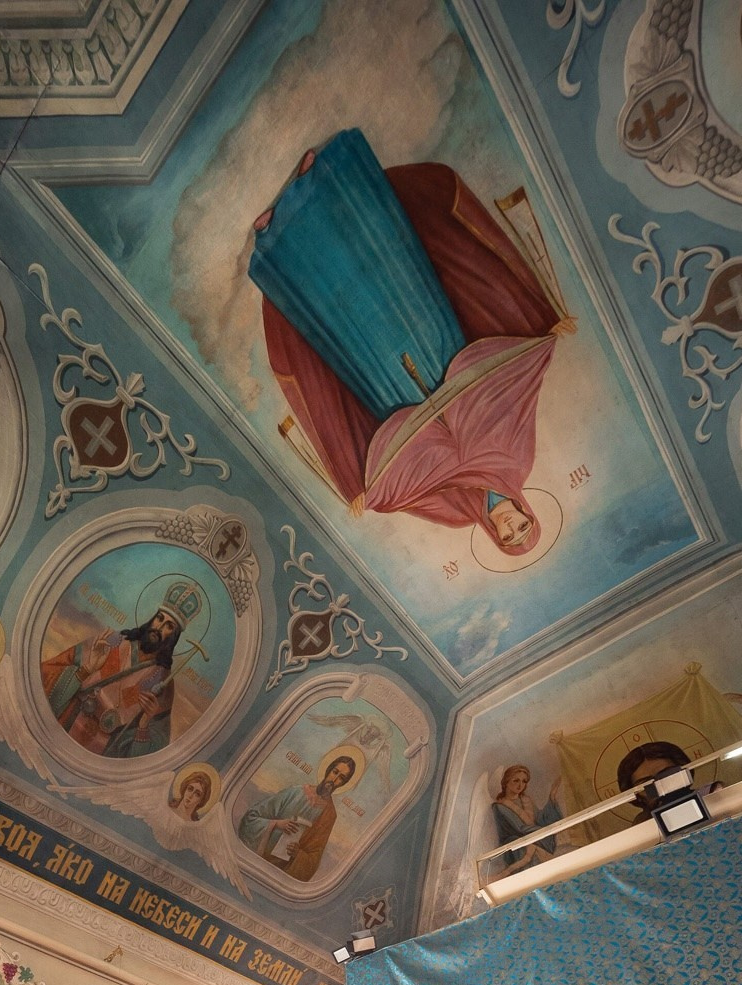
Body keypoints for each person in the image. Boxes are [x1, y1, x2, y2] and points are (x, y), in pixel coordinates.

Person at [248, 127, 573, 542]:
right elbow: (513, 403)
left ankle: (277, 237)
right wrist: (538, 349)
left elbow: (400, 495)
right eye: (523, 526)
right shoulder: (519, 462)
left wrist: (371, 494)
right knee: (386, 263)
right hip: (440, 350)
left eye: (509, 537)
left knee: (343, 311)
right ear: (528, 513)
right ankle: (323, 178)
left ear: (497, 537)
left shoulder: (458, 514)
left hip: (392, 391)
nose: (511, 527)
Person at [43, 583, 202, 758]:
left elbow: (154, 750)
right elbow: (48, 674)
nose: (159, 627)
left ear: (174, 636)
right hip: (66, 723)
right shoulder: (112, 641)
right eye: (159, 618)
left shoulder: (164, 682)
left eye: (169, 626)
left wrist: (145, 723)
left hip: (100, 752)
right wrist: (87, 669)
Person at [238, 752, 357, 881]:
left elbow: (314, 858)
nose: (334, 780)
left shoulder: (330, 815)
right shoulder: (295, 792)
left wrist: (298, 854)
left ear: (343, 783)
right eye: (335, 772)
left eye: (341, 778)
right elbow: (250, 817)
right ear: (328, 770)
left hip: (278, 874)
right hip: (254, 860)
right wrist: (277, 824)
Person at [491, 765, 563, 876]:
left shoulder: (526, 801)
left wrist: (552, 798)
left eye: (524, 781)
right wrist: (545, 832)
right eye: (516, 780)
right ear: (506, 782)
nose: (520, 785)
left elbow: (540, 819)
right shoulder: (500, 806)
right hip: (515, 846)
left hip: (531, 840)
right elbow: (520, 828)